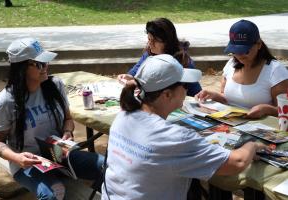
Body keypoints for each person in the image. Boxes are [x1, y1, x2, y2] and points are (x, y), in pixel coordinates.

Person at [102, 54, 267, 200]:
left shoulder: (124, 114)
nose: (188, 90)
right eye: (185, 86)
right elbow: (237, 162)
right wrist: (252, 145)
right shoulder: (174, 138)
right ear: (167, 94)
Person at [0, 38, 104, 200]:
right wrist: (18, 158)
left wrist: (67, 131)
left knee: (107, 166)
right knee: (53, 194)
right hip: (28, 162)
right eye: (38, 63)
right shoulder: (5, 101)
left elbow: (68, 119)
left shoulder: (55, 85)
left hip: (59, 154)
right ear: (21, 68)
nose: (45, 67)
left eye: (46, 61)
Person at [196, 19, 288, 119]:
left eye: (245, 51)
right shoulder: (231, 64)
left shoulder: (275, 71)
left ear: (259, 45)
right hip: (231, 122)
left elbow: (285, 110)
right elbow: (227, 97)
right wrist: (213, 95)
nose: (240, 56)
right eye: (235, 51)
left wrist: (266, 109)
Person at [117, 17, 202, 97]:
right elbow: (135, 72)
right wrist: (129, 76)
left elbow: (196, 92)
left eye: (155, 41)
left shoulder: (182, 61)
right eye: (149, 39)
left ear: (167, 41)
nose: (150, 43)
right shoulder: (149, 54)